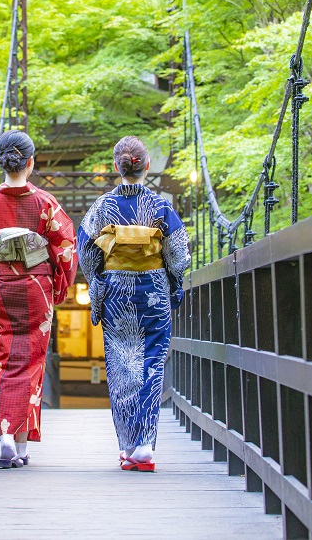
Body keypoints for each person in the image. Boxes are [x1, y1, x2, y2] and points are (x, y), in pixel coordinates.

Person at [0, 130, 77, 468]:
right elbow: (66, 250)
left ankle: (10, 440)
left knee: (1, 360)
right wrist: (58, 286)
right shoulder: (45, 203)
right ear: (30, 162)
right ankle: (18, 441)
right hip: (37, 289)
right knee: (31, 363)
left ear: (1, 162)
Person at [77, 136, 190, 472]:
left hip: (117, 294)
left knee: (121, 365)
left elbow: (86, 253)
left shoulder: (100, 208)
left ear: (117, 167)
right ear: (147, 167)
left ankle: (129, 445)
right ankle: (144, 444)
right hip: (153, 291)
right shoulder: (162, 207)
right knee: (152, 364)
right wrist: (174, 282)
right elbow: (179, 255)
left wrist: (99, 281)